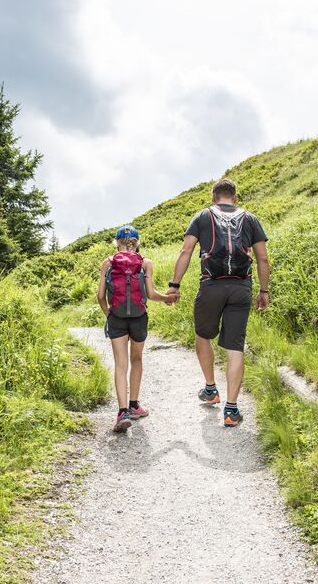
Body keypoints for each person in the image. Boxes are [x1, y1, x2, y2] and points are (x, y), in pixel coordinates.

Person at [166, 178, 270, 427]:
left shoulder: (202, 216)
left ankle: (211, 389)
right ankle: (232, 410)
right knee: (235, 346)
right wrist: (264, 291)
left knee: (203, 335)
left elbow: (186, 251)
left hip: (211, 285)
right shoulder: (251, 218)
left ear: (214, 198)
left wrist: (174, 285)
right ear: (235, 198)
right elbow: (263, 259)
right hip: (241, 287)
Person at [97, 225, 177, 433]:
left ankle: (122, 411)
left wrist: (109, 315)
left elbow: (100, 296)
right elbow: (150, 294)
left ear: (117, 243)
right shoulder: (145, 263)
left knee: (120, 364)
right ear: (137, 242)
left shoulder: (108, 262)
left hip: (117, 318)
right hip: (139, 318)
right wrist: (167, 298)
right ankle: (134, 405)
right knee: (137, 359)